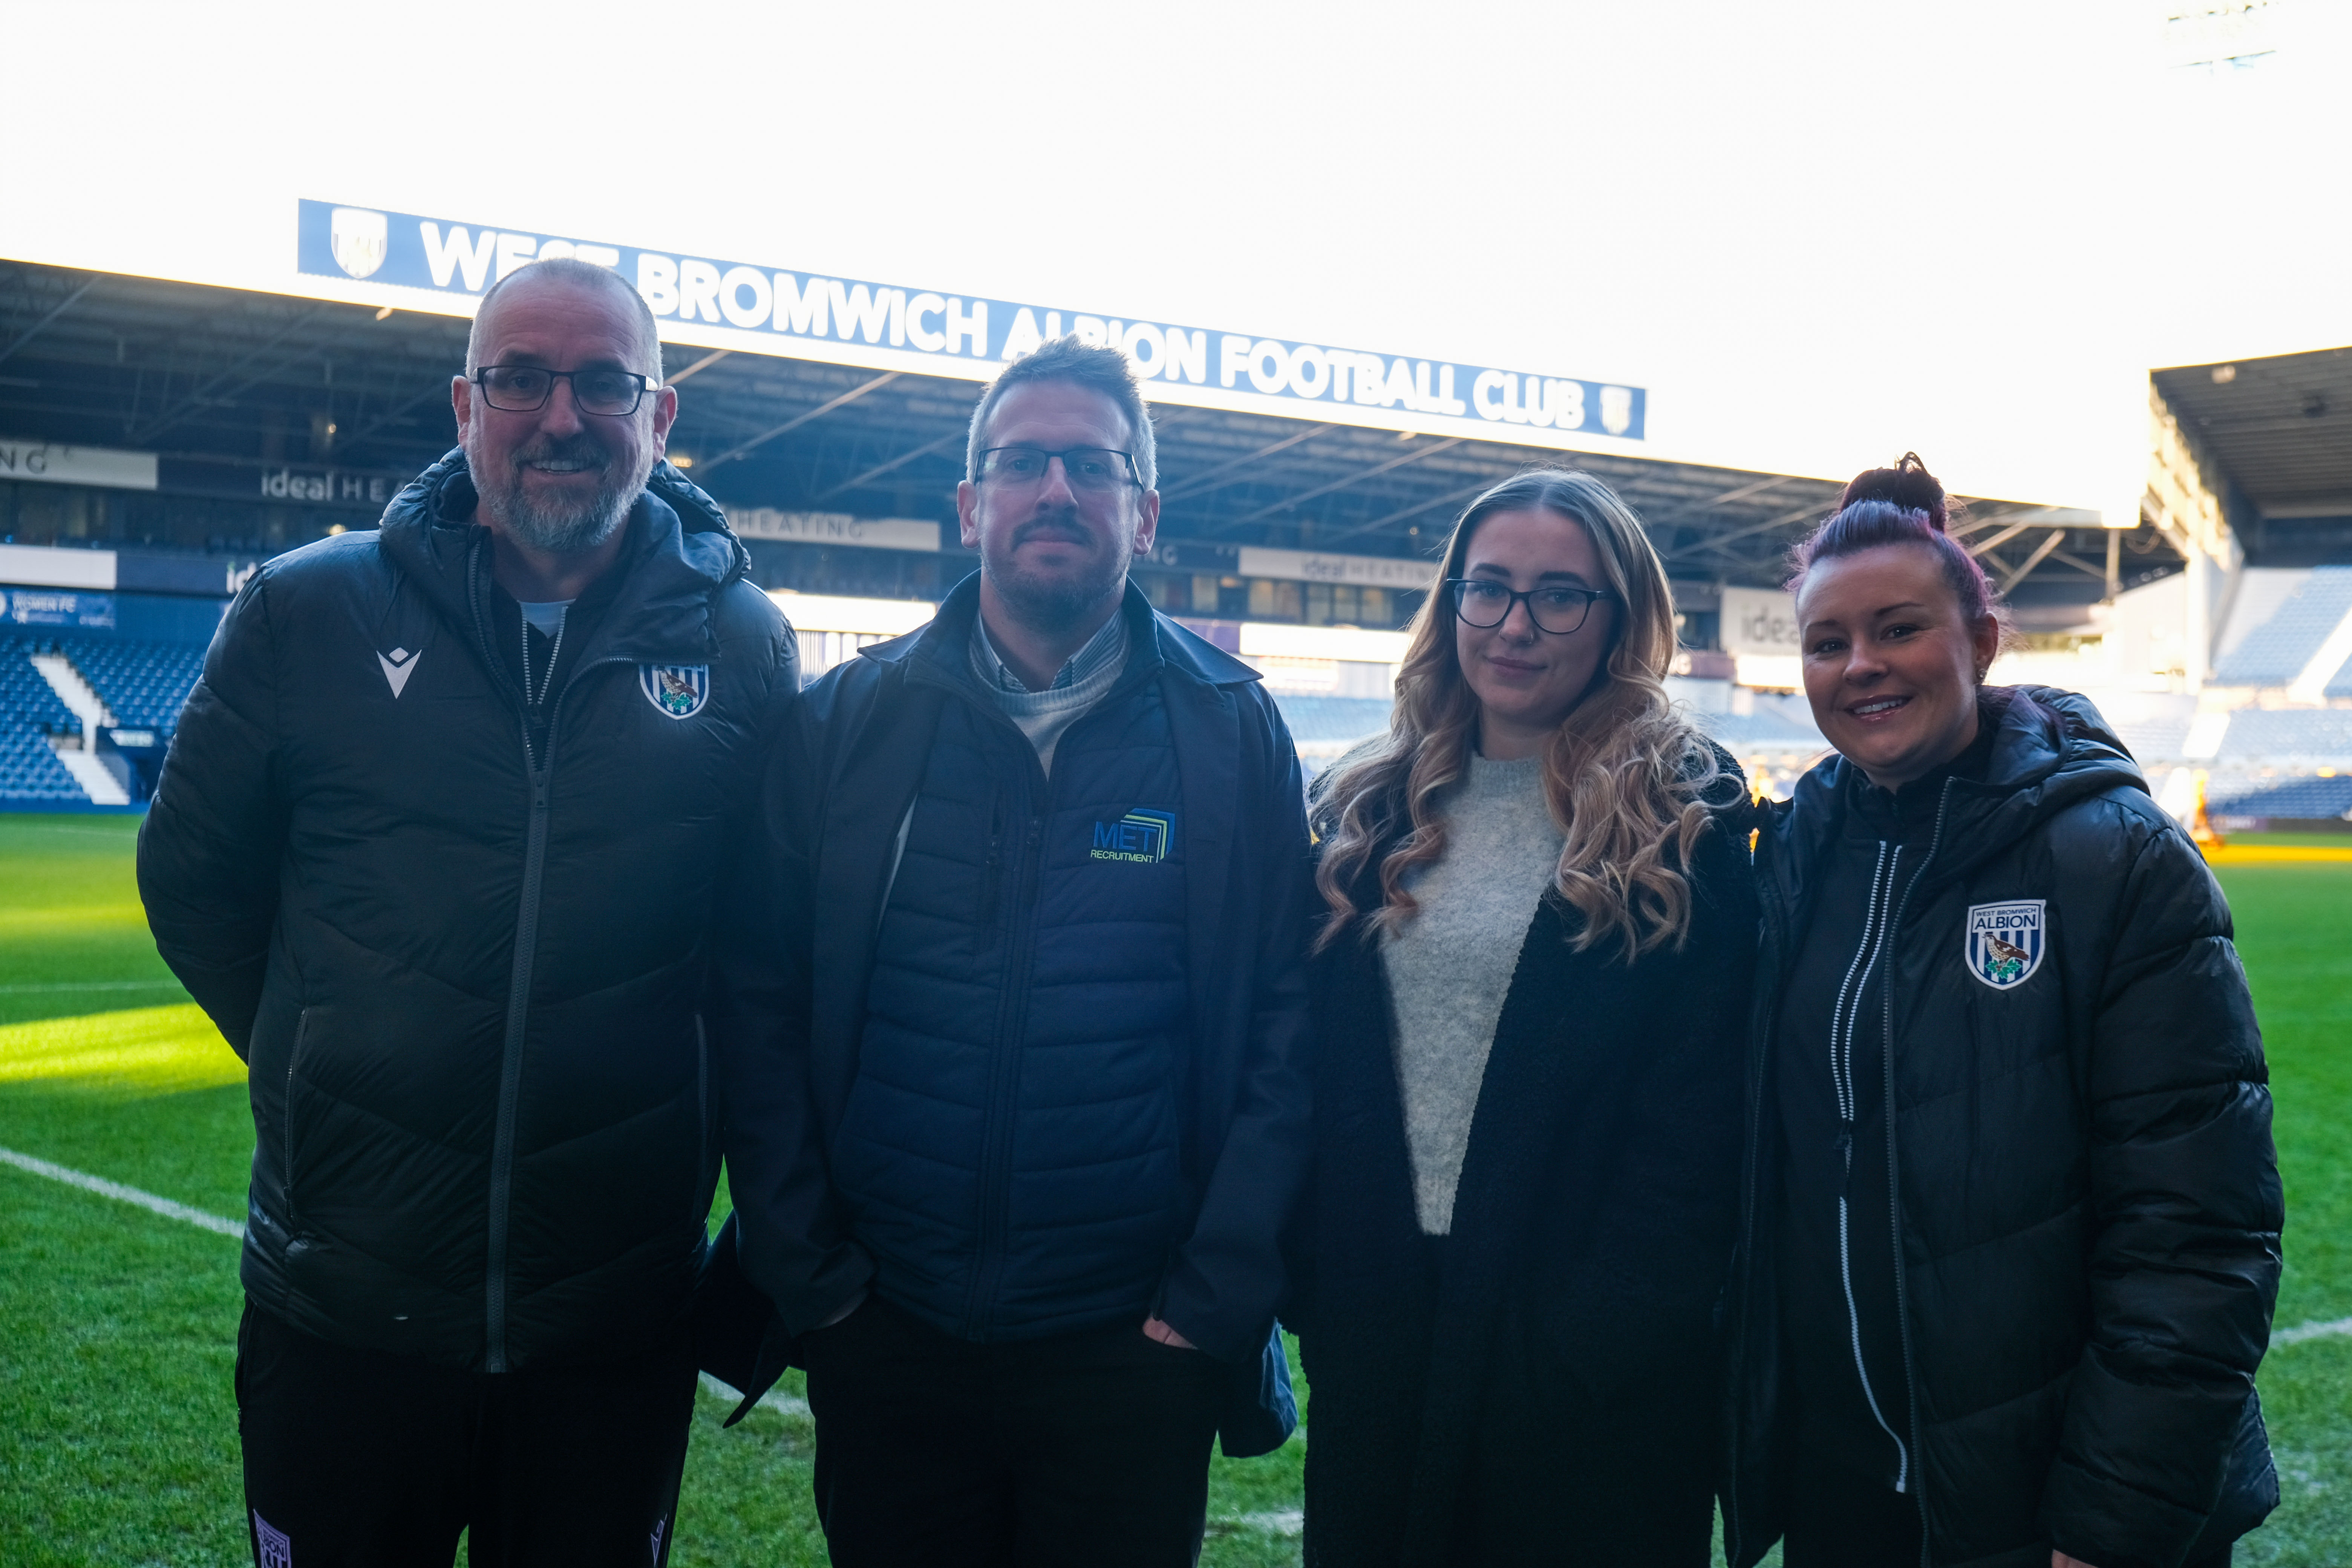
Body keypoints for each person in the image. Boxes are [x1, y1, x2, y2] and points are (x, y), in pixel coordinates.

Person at [137, 256, 798, 1567]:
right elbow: (193, 882)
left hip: (611, 1327)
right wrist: (319, 1051)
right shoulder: (306, 612)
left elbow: (768, 959)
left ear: (659, 418)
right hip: (341, 1308)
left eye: (605, 382)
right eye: (522, 379)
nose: (563, 415)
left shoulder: (741, 647)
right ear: (464, 404)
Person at [714, 335, 1314, 1566]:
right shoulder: (848, 720)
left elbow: (1288, 1028)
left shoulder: (1228, 727)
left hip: (1131, 1351)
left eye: (1091, 467)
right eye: (1024, 462)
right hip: (890, 1331)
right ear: (969, 501)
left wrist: (1208, 1305)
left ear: (1143, 514)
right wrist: (814, 1278)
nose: (1056, 491)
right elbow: (758, 1001)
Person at [1721, 455, 2282, 1568]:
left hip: (2051, 1515)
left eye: (1898, 629)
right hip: (1848, 1501)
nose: (1861, 666)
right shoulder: (1794, 857)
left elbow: (2197, 1232)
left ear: (1980, 642)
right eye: (1827, 643)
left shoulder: (2116, 859)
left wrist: (2108, 1527)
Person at [1292, 469, 1760, 1566]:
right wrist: (1331, 1289)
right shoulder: (1368, 808)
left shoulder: (1683, 818)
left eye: (1559, 595)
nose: (1514, 624)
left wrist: (1601, 1334)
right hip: (1387, 1338)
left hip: (1590, 1375)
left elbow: (1701, 1127)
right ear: (1451, 600)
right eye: (1489, 588)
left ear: (1618, 619)